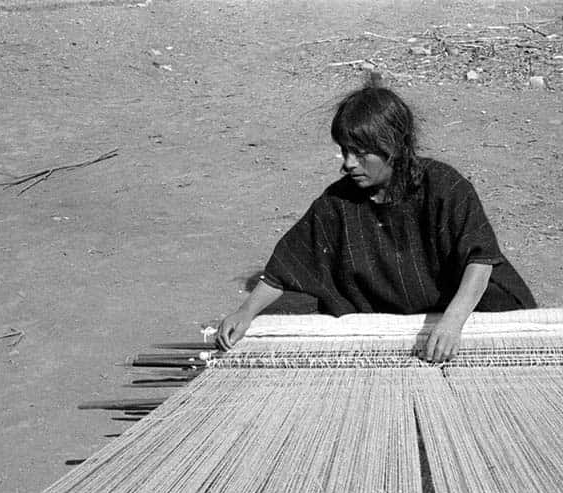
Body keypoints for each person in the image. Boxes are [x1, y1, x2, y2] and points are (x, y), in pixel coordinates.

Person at [216, 84, 536, 362]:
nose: (348, 164)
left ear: (394, 147)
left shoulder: (444, 187)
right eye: (344, 151)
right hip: (394, 318)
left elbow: (480, 260)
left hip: (465, 308)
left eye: (360, 153)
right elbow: (288, 264)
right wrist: (246, 312)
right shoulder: (338, 204)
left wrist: (452, 323)